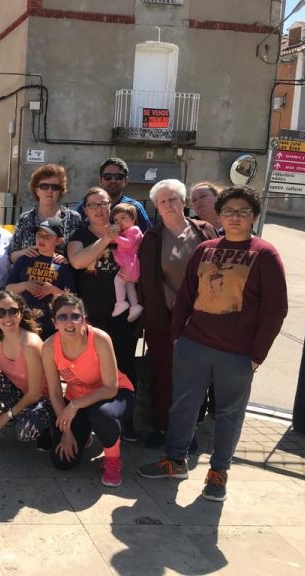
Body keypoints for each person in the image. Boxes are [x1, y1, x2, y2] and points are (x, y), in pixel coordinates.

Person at [138, 186, 287, 502]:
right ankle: (176, 461)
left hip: (238, 353)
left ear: (254, 216)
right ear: (219, 215)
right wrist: (178, 336)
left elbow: (276, 310)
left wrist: (257, 354)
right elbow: (186, 297)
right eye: (229, 211)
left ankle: (218, 473)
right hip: (194, 345)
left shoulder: (265, 254)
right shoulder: (206, 249)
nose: (235, 217)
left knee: (229, 415)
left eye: (242, 211)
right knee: (183, 406)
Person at [138, 179, 217, 447]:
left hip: (201, 318)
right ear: (157, 208)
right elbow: (148, 280)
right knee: (164, 373)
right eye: (163, 201)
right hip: (165, 319)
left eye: (173, 199)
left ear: (183, 201)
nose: (168, 205)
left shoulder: (205, 232)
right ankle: (162, 427)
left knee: (194, 378)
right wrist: (177, 301)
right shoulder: (152, 237)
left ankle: (187, 431)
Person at [41, 293, 135, 487]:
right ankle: (83, 433)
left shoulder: (100, 339)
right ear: (54, 322)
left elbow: (110, 388)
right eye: (62, 317)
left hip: (115, 395)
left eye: (75, 316)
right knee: (62, 461)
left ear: (84, 319)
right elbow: (56, 393)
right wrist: (66, 433)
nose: (69, 322)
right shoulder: (49, 346)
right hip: (80, 400)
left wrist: (74, 406)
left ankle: (113, 459)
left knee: (102, 414)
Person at [67, 188, 138, 440]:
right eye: (93, 205)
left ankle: (123, 419)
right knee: (89, 371)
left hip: (121, 313)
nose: (99, 209)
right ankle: (87, 421)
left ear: (111, 206)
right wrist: (106, 239)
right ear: (85, 210)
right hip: (90, 316)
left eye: (104, 204)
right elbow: (77, 261)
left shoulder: (126, 229)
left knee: (124, 366)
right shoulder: (80, 234)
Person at [0, 290, 52, 452]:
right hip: (17, 396)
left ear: (21, 313)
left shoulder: (30, 344)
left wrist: (7, 415)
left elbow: (35, 393)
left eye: (13, 311)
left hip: (40, 402)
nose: (7, 317)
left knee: (25, 431)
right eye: (1, 312)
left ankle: (44, 429)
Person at [5, 217, 76, 339]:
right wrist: (26, 285)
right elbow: (8, 288)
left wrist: (52, 290)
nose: (42, 239)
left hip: (52, 324)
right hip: (24, 322)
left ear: (58, 240)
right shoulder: (24, 259)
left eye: (48, 237)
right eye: (39, 235)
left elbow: (73, 298)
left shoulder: (62, 265)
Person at [8, 164, 81, 263]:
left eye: (55, 187)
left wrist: (68, 259)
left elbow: (81, 253)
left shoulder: (73, 218)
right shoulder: (24, 219)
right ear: (36, 190)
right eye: (44, 186)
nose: (49, 190)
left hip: (62, 276)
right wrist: (23, 252)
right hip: (29, 277)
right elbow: (11, 256)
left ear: (60, 191)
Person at [75, 158, 151, 231]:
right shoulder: (86, 205)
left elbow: (147, 238)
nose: (113, 180)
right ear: (100, 180)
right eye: (108, 177)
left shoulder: (134, 208)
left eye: (118, 176)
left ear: (126, 180)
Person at [110, 203, 144, 322]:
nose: (119, 221)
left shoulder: (134, 229)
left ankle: (121, 302)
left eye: (123, 218)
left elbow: (129, 243)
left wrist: (116, 237)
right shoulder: (126, 230)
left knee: (118, 280)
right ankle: (135, 306)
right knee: (129, 285)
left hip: (129, 262)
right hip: (128, 261)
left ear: (133, 218)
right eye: (116, 219)